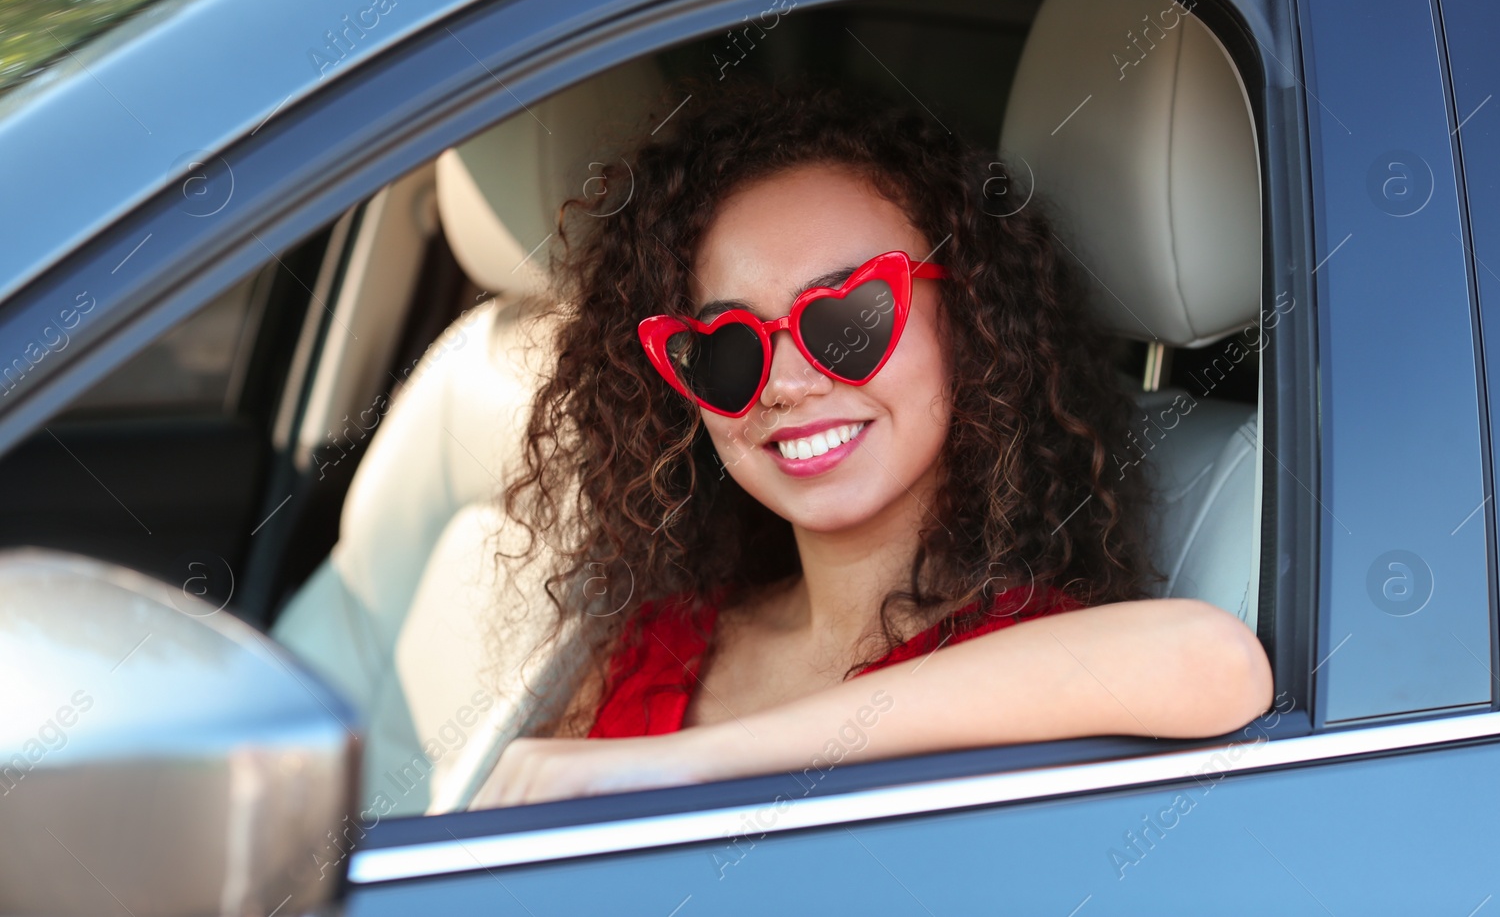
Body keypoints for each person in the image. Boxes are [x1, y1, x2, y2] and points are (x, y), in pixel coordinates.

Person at [472, 81, 1271, 808]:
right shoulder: (663, 638)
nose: (785, 383)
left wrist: (696, 763)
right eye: (727, 347)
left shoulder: (1028, 659)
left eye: (847, 318)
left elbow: (1215, 663)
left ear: (970, 323)